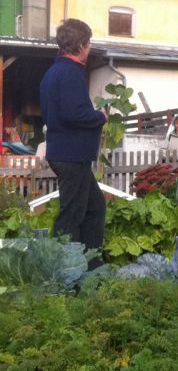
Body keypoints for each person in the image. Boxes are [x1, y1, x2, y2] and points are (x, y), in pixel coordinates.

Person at [39, 18, 107, 269]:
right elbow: (73, 113)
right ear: (80, 46)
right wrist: (99, 116)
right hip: (71, 155)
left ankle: (91, 265)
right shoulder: (70, 72)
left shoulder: (54, 72)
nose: (90, 48)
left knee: (95, 207)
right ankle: (65, 273)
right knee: (71, 216)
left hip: (67, 153)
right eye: (88, 44)